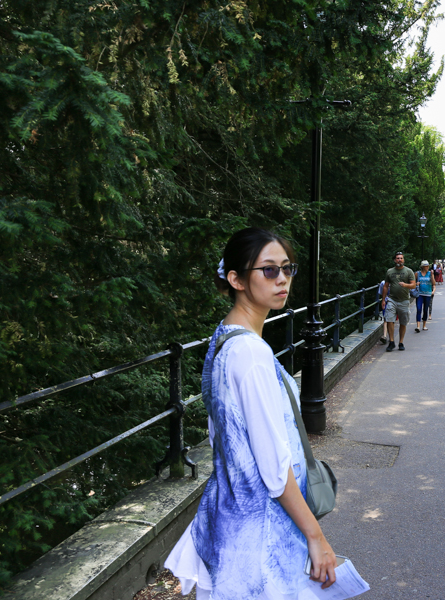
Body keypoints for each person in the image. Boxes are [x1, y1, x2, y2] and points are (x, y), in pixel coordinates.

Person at [165, 227, 337, 600]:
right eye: (269, 270)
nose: (283, 280)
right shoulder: (252, 354)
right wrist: (316, 536)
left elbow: (220, 434)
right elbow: (276, 468)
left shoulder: (224, 338)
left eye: (288, 269)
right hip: (261, 528)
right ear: (236, 279)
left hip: (232, 516)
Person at [382, 251, 416, 351]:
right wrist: (383, 300)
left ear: (403, 260)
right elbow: (386, 286)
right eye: (397, 258)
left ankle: (401, 342)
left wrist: (405, 285)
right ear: (394, 260)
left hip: (404, 300)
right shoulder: (390, 271)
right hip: (392, 299)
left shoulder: (408, 271)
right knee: (389, 319)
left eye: (401, 258)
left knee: (403, 322)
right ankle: (391, 342)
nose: (399, 260)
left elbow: (413, 285)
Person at [414, 260, 435, 333]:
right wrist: (416, 284)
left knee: (425, 310)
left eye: (428, 266)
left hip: (427, 294)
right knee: (419, 309)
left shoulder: (430, 273)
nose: (428, 267)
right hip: (419, 294)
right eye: (426, 266)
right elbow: (412, 283)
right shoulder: (417, 274)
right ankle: (418, 326)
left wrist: (432, 275)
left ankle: (424, 325)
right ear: (423, 267)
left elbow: (433, 283)